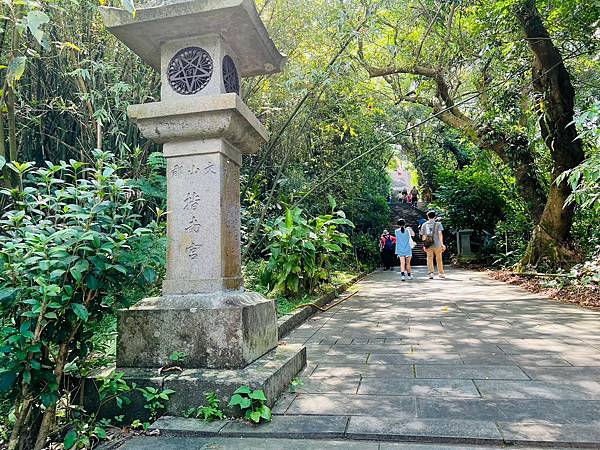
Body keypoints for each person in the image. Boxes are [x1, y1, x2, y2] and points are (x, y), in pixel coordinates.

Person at [420, 210, 446, 279]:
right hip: (437, 244)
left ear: (428, 217)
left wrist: (424, 245)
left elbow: (424, 236)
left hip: (429, 245)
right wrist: (442, 244)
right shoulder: (438, 224)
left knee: (429, 259)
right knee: (439, 259)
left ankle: (431, 273)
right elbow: (440, 234)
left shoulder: (424, 224)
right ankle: (441, 273)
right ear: (435, 216)